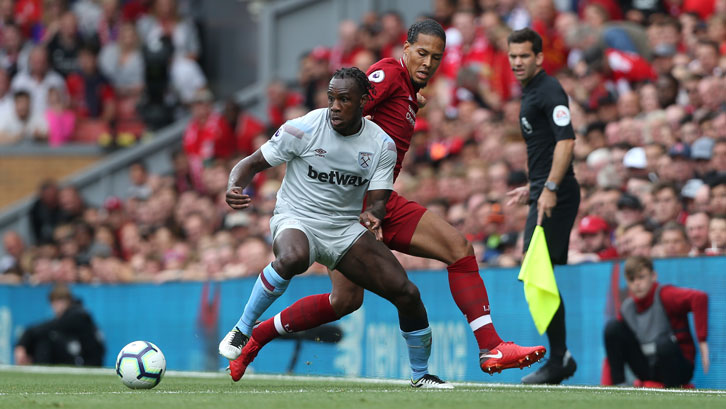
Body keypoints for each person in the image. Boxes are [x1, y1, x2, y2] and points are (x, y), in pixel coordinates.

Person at [229, 19, 545, 382]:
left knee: (345, 301)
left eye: (436, 57)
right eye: (421, 53)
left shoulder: (406, 87)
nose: (427, 63)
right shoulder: (389, 75)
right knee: (458, 248)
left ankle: (257, 337)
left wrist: (412, 99)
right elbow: (349, 108)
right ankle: (490, 345)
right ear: (405, 49)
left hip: (375, 204)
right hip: (354, 203)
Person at [219, 67, 451, 389]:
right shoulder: (302, 129)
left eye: (344, 99)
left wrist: (374, 214)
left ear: (364, 102)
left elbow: (378, 201)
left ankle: (420, 374)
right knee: (293, 258)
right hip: (296, 216)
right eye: (332, 98)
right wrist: (234, 186)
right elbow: (251, 163)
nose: (336, 106)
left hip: (343, 228)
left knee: (408, 294)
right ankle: (243, 329)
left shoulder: (381, 145)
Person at [505, 28, 581, 384]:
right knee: (538, 272)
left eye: (524, 56)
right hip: (544, 190)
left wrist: (549, 187)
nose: (517, 62)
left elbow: (566, 142)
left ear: (539, 57)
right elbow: (546, 147)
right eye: (513, 56)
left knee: (536, 271)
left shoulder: (549, 90)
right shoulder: (532, 91)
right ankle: (560, 355)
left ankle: (560, 357)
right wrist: (532, 187)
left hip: (557, 194)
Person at [603, 256, 709, 387]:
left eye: (641, 277)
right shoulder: (627, 307)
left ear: (653, 276)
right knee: (612, 328)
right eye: (632, 279)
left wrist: (702, 340)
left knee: (663, 343)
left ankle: (673, 391)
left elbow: (699, 298)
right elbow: (614, 343)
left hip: (678, 367)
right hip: (648, 366)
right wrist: (606, 383)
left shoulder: (665, 295)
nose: (637, 283)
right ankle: (619, 387)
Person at [14, 284, 105, 366]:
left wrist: (22, 344)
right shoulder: (74, 314)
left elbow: (43, 328)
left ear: (68, 301)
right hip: (78, 356)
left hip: (88, 361)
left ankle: (40, 370)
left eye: (60, 301)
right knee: (44, 336)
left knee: (45, 339)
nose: (56, 305)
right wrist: (22, 346)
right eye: (54, 302)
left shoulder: (77, 316)